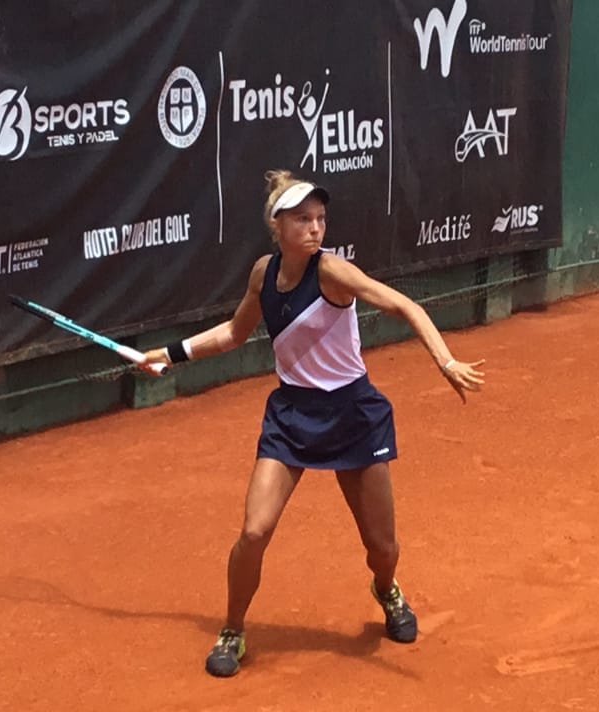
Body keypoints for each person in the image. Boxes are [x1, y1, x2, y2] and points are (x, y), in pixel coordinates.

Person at [143, 169, 486, 677]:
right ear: (277, 225)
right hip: (292, 416)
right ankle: (233, 629)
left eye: (320, 218)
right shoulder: (263, 274)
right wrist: (171, 354)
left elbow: (404, 305)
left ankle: (386, 589)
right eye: (303, 219)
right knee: (254, 531)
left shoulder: (333, 271)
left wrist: (446, 360)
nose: (315, 228)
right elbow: (235, 333)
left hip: (353, 415)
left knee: (382, 547)